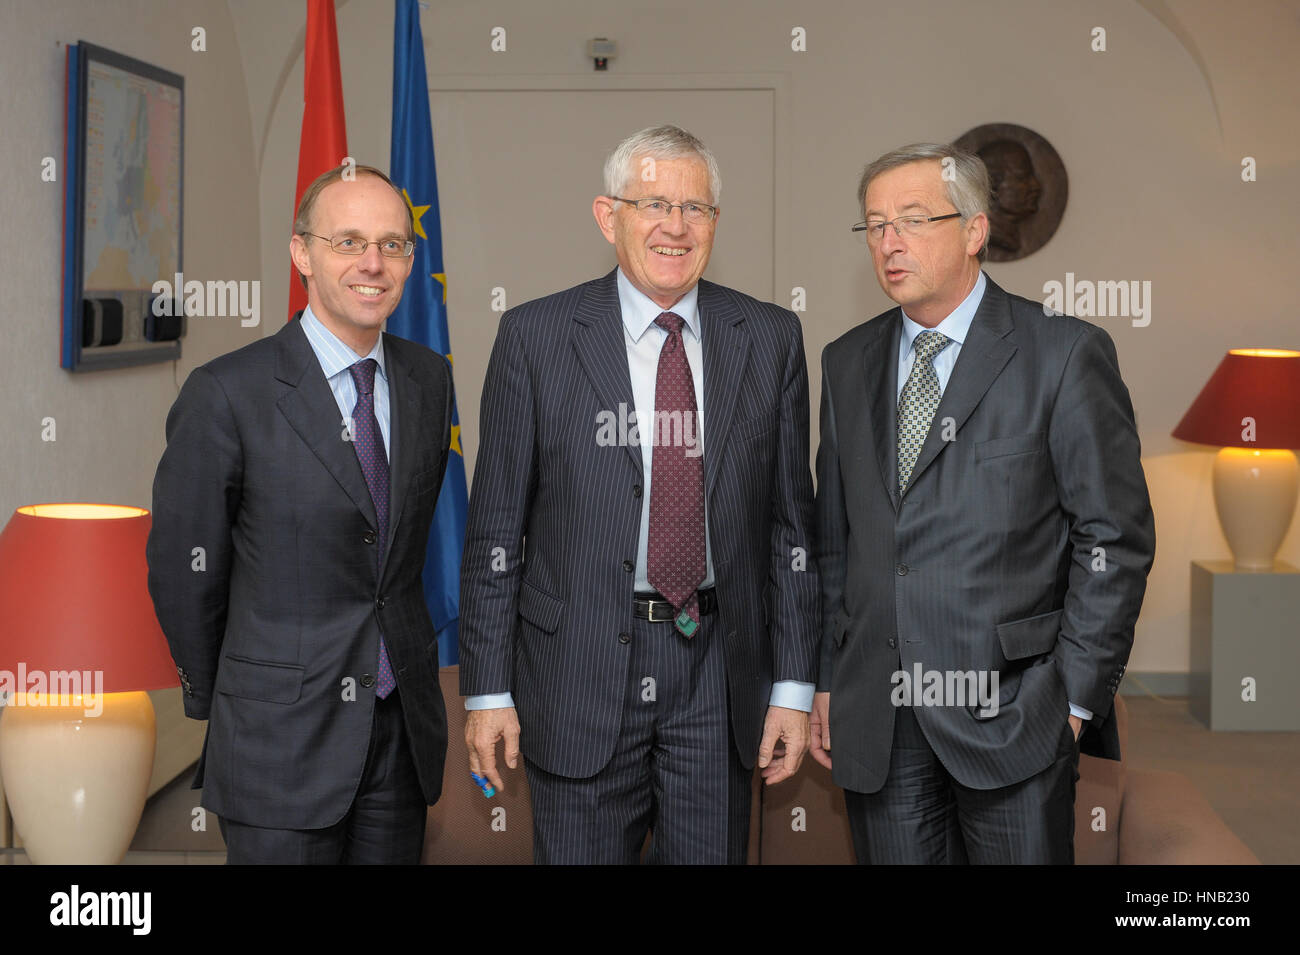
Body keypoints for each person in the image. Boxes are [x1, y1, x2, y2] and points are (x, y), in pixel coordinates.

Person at [459, 125, 819, 864]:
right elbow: (495, 529)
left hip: (717, 669)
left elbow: (792, 530)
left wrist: (792, 683)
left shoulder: (771, 337)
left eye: (696, 207)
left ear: (716, 223)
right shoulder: (535, 336)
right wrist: (487, 691)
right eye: (653, 201)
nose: (675, 226)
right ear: (607, 214)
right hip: (578, 667)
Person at [811, 143, 1155, 864]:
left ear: (974, 230)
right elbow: (836, 542)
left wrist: (1074, 702)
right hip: (881, 716)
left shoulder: (1062, 353)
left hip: (1016, 712)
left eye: (910, 220)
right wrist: (826, 681)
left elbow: (1113, 538)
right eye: (873, 226)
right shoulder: (845, 361)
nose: (889, 242)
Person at [146, 164, 454, 864]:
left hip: (400, 731)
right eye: (348, 241)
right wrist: (235, 692)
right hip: (277, 739)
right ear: (302, 254)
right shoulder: (227, 393)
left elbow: (400, 558)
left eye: (392, 244)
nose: (373, 263)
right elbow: (183, 571)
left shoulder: (428, 380)